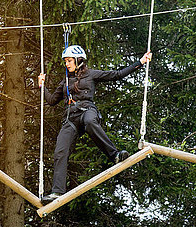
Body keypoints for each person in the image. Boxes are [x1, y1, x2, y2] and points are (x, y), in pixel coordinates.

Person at [38, 45, 152, 203]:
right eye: (65, 61)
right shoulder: (65, 81)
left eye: (69, 60)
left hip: (87, 110)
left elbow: (116, 75)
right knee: (60, 151)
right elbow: (51, 101)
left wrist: (140, 62)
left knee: (90, 122)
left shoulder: (91, 74)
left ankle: (115, 155)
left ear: (79, 60)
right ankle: (57, 192)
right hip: (70, 118)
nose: (67, 64)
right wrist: (42, 86)